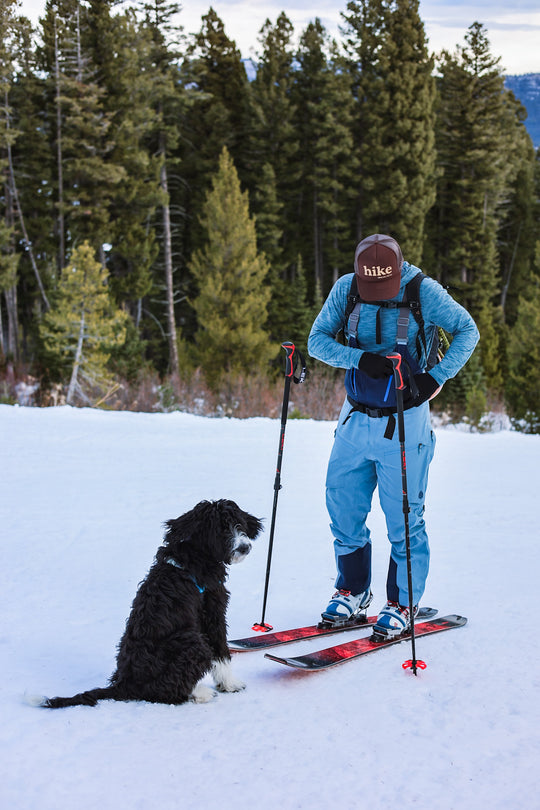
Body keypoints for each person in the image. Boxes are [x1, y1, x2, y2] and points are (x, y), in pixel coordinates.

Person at [308, 233, 479, 638]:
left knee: (404, 516)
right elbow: (317, 341)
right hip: (354, 416)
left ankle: (402, 600)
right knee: (342, 504)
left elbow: (467, 330)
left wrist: (433, 378)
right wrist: (359, 358)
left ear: (399, 271)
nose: (376, 291)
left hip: (406, 420)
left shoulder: (424, 291)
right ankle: (352, 591)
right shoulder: (346, 289)